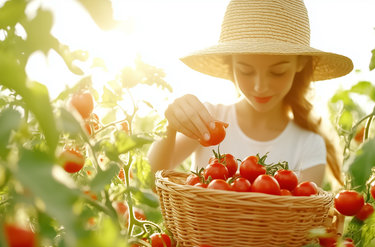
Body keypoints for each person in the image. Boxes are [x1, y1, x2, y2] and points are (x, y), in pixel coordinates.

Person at [148, 0, 353, 186]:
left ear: (300, 63)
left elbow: (302, 218)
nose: (259, 87)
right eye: (246, 70)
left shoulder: (309, 144)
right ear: (231, 63)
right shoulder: (208, 121)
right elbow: (153, 180)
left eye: (277, 72)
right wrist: (170, 127)